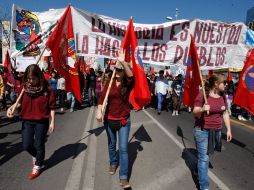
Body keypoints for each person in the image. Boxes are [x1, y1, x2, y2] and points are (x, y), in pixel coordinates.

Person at [7, 64, 55, 180]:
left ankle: (38, 166)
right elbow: (19, 102)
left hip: (41, 121)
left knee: (39, 144)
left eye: (33, 79)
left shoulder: (46, 89)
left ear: (39, 77)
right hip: (27, 120)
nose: (31, 81)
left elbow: (52, 107)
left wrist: (52, 122)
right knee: (26, 145)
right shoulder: (24, 88)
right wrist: (11, 108)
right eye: (29, 79)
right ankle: (36, 157)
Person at [96, 49, 134, 189]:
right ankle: (113, 162)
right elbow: (101, 100)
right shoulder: (109, 83)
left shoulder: (127, 84)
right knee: (112, 145)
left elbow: (131, 77)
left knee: (123, 149)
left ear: (124, 70)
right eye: (116, 69)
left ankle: (123, 177)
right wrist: (99, 112)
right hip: (109, 120)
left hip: (124, 121)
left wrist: (123, 62)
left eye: (120, 69)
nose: (117, 71)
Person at [193, 74, 232, 190]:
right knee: (204, 158)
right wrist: (202, 109)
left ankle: (198, 170)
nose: (226, 85)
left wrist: (229, 129)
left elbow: (225, 113)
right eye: (224, 83)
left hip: (216, 132)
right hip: (202, 131)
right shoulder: (203, 95)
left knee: (205, 156)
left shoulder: (223, 96)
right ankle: (204, 187)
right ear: (216, 84)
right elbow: (195, 112)